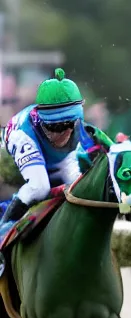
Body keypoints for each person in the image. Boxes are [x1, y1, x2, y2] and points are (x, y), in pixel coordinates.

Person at [0, 68, 99, 236]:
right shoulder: (23, 134)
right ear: (41, 119)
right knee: (40, 186)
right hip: (24, 141)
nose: (65, 133)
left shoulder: (79, 128)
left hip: (54, 154)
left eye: (70, 124)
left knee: (78, 185)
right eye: (57, 126)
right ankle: (5, 225)